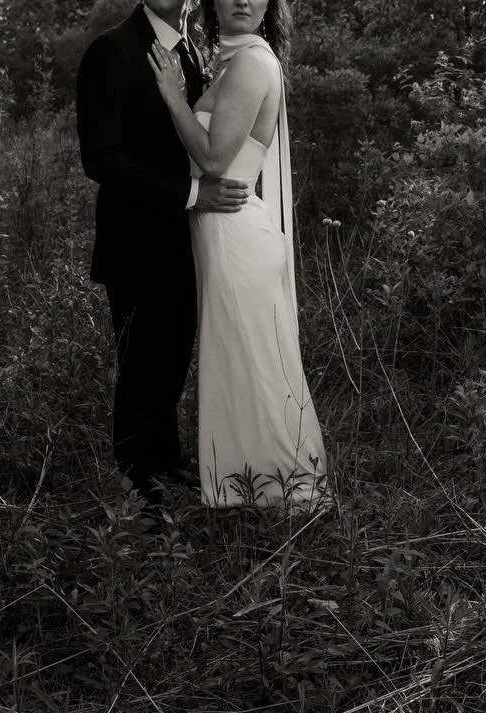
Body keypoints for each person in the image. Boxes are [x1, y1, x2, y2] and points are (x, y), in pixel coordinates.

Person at [147, 0, 329, 510]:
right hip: (224, 233)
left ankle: (282, 491)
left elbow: (211, 158)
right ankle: (256, 490)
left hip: (235, 238)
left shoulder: (251, 61)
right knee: (245, 364)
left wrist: (171, 94)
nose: (243, 0)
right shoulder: (235, 59)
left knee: (255, 366)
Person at [76, 0, 250, 519]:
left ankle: (166, 460)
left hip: (190, 241)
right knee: (141, 368)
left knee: (173, 359)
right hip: (136, 243)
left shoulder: (196, 52)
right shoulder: (110, 50)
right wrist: (192, 193)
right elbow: (100, 158)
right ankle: (137, 488)